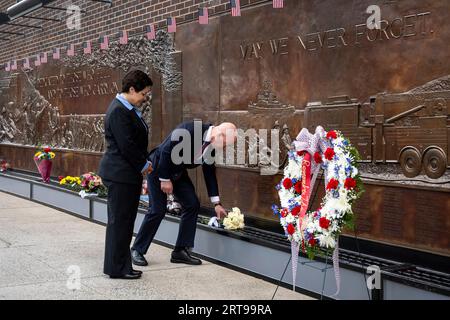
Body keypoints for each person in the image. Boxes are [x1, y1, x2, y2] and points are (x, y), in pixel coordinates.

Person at [131, 120, 237, 266]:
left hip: (178, 172)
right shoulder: (190, 129)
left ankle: (180, 251)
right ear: (219, 135)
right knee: (157, 210)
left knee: (192, 204)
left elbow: (209, 173)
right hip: (158, 167)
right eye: (226, 144)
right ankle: (137, 250)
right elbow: (166, 151)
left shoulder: (212, 146)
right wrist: (165, 179)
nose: (224, 149)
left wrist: (217, 203)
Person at [98, 69, 153, 279]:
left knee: (122, 222)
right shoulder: (119, 110)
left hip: (124, 174)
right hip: (121, 175)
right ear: (131, 89)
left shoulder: (125, 108)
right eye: (143, 93)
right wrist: (144, 165)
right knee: (120, 222)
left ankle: (119, 266)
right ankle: (118, 268)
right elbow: (127, 145)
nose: (145, 98)